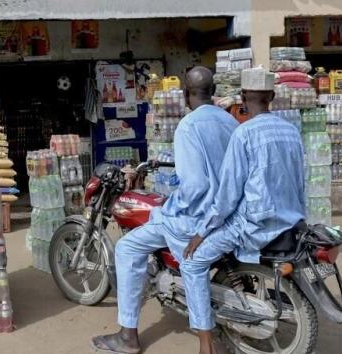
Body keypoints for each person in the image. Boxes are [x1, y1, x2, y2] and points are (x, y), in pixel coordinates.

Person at [91, 66, 239, 354]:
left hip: (195, 218)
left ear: (185, 94)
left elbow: (194, 185)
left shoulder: (189, 126)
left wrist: (171, 206)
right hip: (226, 214)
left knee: (127, 248)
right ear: (213, 92)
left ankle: (128, 335)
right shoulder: (229, 121)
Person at [182, 67, 306, 354]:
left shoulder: (244, 134)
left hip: (252, 226)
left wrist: (202, 231)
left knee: (191, 263)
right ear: (272, 96)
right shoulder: (291, 132)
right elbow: (301, 184)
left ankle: (206, 343)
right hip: (289, 223)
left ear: (242, 97)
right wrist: (301, 220)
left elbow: (227, 197)